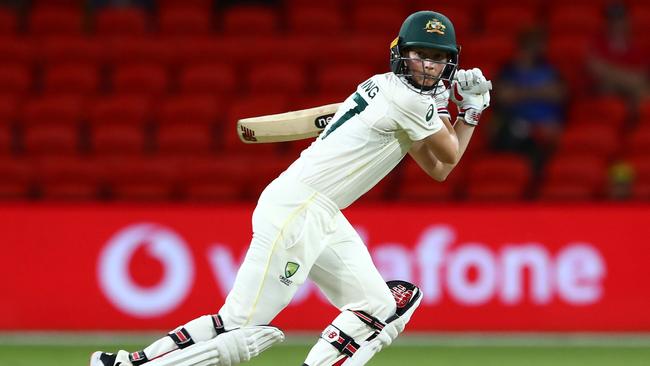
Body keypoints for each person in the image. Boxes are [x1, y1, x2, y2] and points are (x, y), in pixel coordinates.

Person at [90, 10, 490, 366]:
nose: (429, 65)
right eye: (422, 54)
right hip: (300, 208)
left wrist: (443, 107)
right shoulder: (409, 101)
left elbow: (436, 169)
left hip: (321, 211)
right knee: (241, 327)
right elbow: (451, 154)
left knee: (380, 305)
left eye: (439, 58)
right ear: (401, 52)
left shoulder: (388, 89)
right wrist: (469, 111)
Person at [491, 27, 566, 172]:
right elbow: (503, 96)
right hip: (514, 124)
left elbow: (558, 93)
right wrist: (539, 92)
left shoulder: (549, 69)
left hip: (545, 125)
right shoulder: (508, 70)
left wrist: (519, 93)